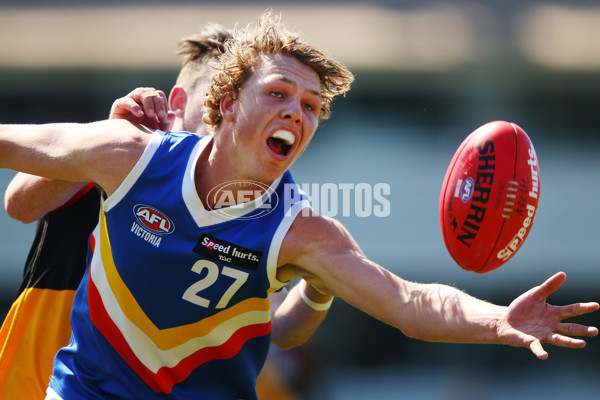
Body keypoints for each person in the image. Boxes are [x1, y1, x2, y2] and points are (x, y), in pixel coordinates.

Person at [0, 10, 597, 400]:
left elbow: (409, 301)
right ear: (225, 104)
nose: (297, 112)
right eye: (280, 93)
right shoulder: (131, 155)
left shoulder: (301, 232)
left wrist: (498, 320)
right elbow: (15, 152)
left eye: (311, 106)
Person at [0, 21, 330, 400]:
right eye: (219, 103)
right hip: (34, 382)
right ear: (179, 103)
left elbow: (280, 328)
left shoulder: (247, 212)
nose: (231, 121)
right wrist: (105, 136)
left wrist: (322, 280)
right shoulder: (126, 153)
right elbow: (19, 204)